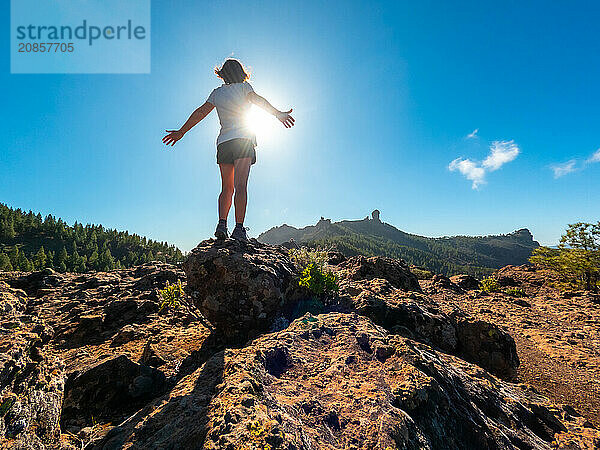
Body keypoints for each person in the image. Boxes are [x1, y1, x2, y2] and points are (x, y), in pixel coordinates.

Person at [162, 58, 295, 241]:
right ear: (242, 73)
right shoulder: (244, 88)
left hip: (224, 143)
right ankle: (239, 229)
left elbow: (200, 112)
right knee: (241, 186)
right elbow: (258, 101)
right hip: (243, 140)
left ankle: (222, 225)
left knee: (227, 188)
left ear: (222, 74)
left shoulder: (217, 93)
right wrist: (277, 114)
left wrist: (182, 132)